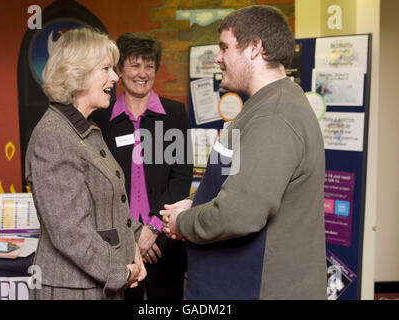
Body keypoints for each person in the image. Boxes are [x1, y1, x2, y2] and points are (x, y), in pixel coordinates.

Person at [161, 5, 327, 300]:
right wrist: (194, 204)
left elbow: (239, 214)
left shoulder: (275, 116)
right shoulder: (265, 105)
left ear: (254, 48)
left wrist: (183, 223)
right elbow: (239, 185)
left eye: (225, 47)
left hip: (256, 289)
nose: (218, 57)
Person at [25, 28, 146, 300]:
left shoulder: (84, 130)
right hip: (73, 289)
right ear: (77, 75)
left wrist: (133, 247)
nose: (116, 77)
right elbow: (70, 232)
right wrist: (122, 272)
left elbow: (109, 207)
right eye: (106, 69)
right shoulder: (54, 135)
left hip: (97, 283)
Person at [94, 32, 192, 300]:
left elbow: (181, 177)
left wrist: (152, 229)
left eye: (149, 65)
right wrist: (133, 236)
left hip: (164, 239)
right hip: (117, 244)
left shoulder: (174, 114)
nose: (142, 73)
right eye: (135, 65)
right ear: (119, 69)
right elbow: (100, 185)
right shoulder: (102, 119)